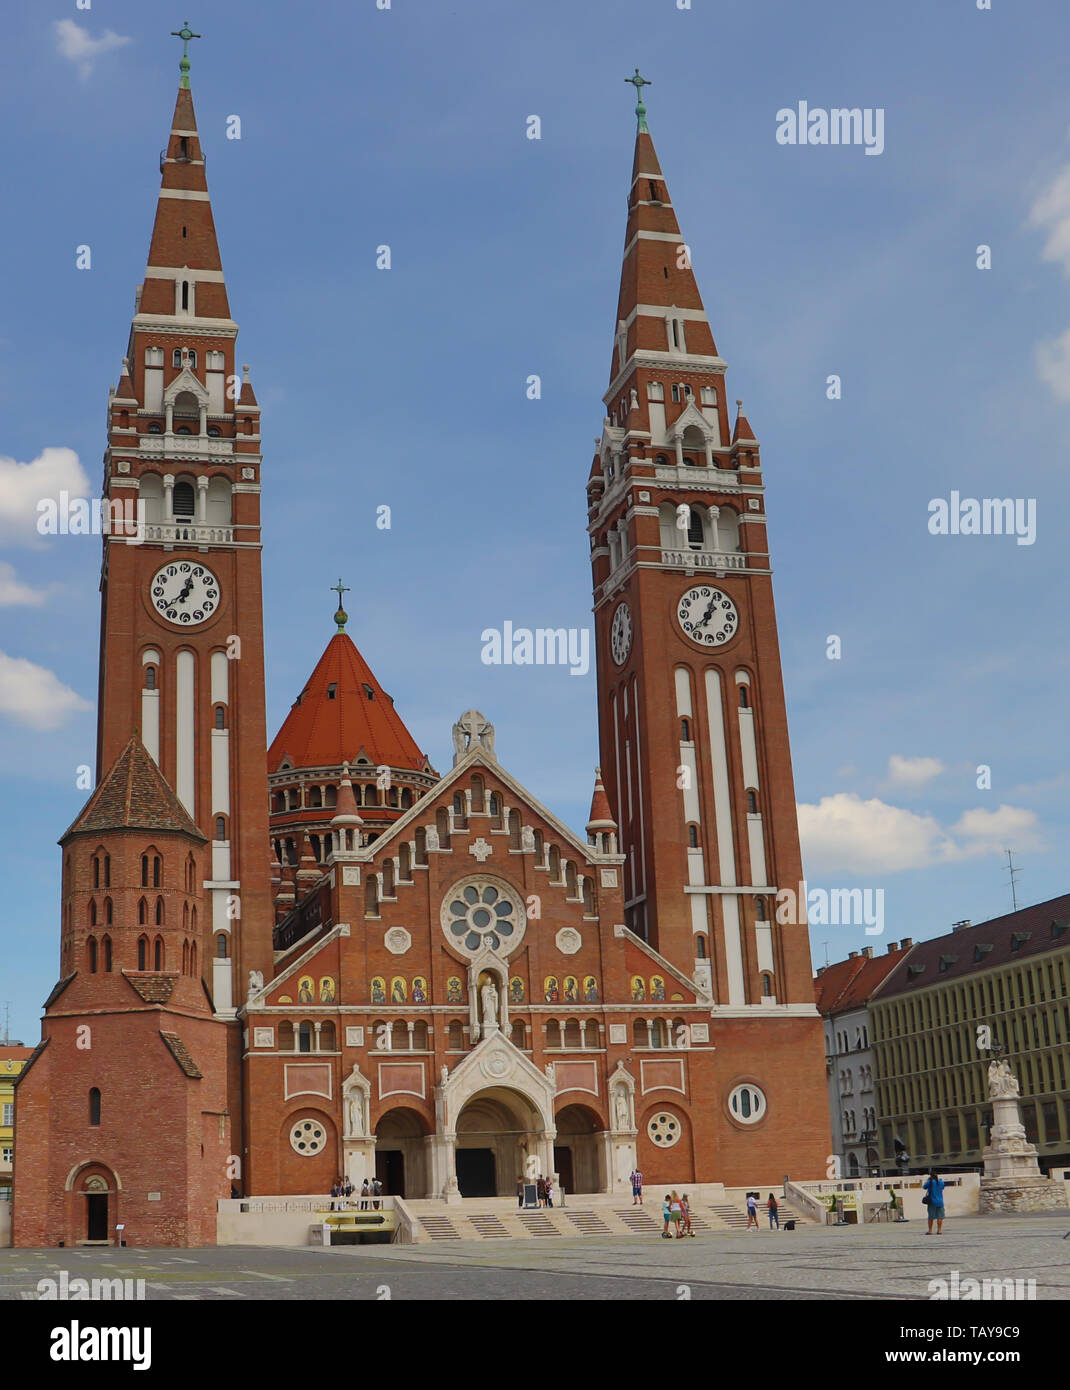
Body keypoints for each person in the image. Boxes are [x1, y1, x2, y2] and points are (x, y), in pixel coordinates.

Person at [923, 1168, 946, 1235]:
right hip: (940, 1202)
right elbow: (943, 1187)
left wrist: (928, 1180)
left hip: (932, 1202)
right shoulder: (941, 1182)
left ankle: (930, 1231)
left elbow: (924, 1187)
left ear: (931, 1176)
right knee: (940, 1217)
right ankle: (939, 1230)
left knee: (931, 1217)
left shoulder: (930, 1182)